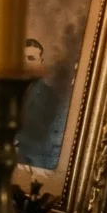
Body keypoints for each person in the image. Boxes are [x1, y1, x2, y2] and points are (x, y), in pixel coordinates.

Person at [18, 38, 69, 170]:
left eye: (31, 58)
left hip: (30, 161)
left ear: (40, 62)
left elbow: (46, 139)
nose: (25, 63)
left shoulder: (50, 97)